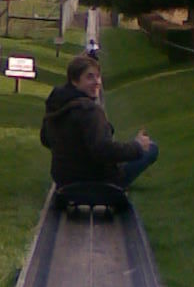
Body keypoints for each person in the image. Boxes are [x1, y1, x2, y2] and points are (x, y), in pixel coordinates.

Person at [40, 53, 158, 189]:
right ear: (75, 81)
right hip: (97, 180)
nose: (97, 82)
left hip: (63, 178)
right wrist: (137, 146)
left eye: (98, 76)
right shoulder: (89, 110)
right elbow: (103, 150)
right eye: (90, 77)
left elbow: (45, 139)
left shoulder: (55, 104)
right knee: (151, 148)